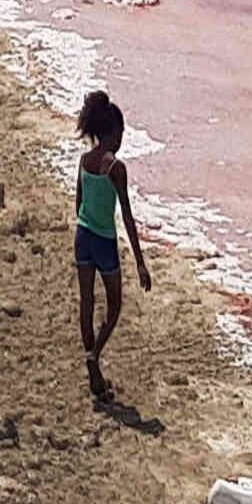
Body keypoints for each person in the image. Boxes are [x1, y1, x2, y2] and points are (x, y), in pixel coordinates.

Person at [72, 88, 153, 404]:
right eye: (120, 132)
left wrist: (86, 222)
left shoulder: (83, 160)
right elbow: (128, 217)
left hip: (83, 235)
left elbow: (79, 203)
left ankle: (93, 367)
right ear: (110, 132)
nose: (121, 139)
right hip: (104, 239)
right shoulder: (115, 168)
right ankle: (93, 357)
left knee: (86, 301)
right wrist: (140, 262)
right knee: (114, 304)